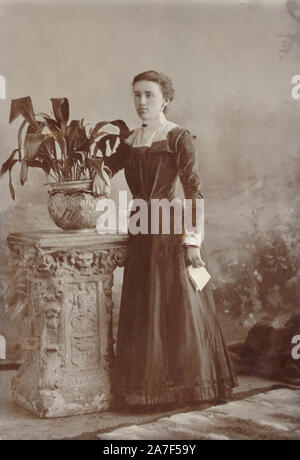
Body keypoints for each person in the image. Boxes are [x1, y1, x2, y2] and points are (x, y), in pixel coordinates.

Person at [93, 70, 238, 408]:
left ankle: (184, 388)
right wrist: (100, 170)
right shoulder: (130, 139)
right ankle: (144, 390)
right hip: (141, 229)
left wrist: (192, 243)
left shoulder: (178, 137)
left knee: (175, 308)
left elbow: (194, 192)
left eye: (149, 95)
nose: (141, 102)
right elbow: (107, 165)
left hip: (170, 231)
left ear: (166, 99)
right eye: (136, 95)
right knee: (145, 308)